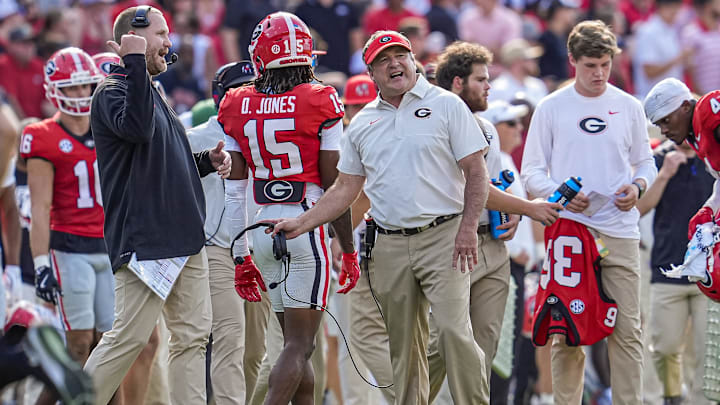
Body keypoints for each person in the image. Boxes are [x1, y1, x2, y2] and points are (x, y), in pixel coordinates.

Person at [273, 30, 491, 405]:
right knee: (404, 349)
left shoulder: (447, 104)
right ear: (371, 73)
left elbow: (476, 170)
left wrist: (469, 228)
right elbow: (345, 188)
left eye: (400, 55)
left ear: (413, 59)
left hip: (444, 235)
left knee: (454, 332)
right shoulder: (361, 123)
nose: (394, 63)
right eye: (383, 59)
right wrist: (304, 222)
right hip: (389, 241)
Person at [83, 6, 230, 405]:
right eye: (162, 34)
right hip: (147, 240)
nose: (169, 43)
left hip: (184, 237)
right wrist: (131, 61)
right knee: (126, 340)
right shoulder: (111, 91)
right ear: (134, 36)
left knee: (192, 339)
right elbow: (137, 128)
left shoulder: (150, 91)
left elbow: (163, 159)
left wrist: (205, 163)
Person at [218, 11, 359, 405]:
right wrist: (348, 249)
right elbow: (337, 186)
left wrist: (240, 255)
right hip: (304, 225)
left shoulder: (235, 101)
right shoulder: (322, 98)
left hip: (259, 229)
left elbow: (234, 191)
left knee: (295, 351)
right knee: (300, 345)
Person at [521, 20, 657, 405]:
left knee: (628, 330)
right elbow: (531, 172)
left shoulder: (629, 106)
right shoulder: (551, 107)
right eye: (590, 66)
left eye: (605, 64)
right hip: (570, 230)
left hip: (618, 229)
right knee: (566, 331)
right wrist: (561, 196)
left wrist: (637, 187)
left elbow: (646, 162)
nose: (599, 74)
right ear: (572, 62)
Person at [428, 41, 561, 403]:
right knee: (446, 344)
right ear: (457, 83)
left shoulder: (486, 128)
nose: (489, 86)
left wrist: (513, 214)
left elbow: (497, 185)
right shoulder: (437, 124)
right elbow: (476, 186)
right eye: (481, 79)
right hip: (450, 245)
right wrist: (530, 208)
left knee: (485, 348)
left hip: (491, 249)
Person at [186, 60, 265, 404]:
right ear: (220, 96)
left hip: (261, 247)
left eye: (252, 86)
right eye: (239, 88)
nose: (247, 94)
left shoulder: (269, 127)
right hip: (218, 249)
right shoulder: (195, 136)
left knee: (256, 351)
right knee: (230, 338)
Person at [636, 139, 713, 405]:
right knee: (664, 345)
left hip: (709, 273)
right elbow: (638, 209)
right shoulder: (658, 159)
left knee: (707, 350)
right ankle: (670, 395)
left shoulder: (712, 156)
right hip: (667, 268)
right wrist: (664, 174)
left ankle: (699, 402)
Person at [643, 80, 720, 284]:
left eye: (666, 120)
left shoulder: (708, 112)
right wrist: (709, 208)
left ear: (686, 106)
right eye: (659, 124)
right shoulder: (694, 135)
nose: (663, 131)